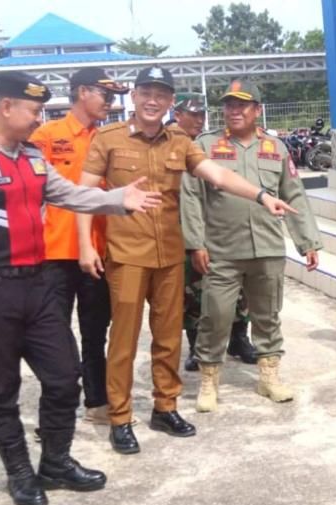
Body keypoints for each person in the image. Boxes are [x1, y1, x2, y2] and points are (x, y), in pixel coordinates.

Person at [0, 71, 162, 505]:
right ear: (7, 107)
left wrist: (118, 199)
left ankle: (56, 462)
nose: (39, 118)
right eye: (34, 110)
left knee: (63, 377)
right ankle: (20, 472)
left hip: (37, 285)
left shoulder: (32, 158)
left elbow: (70, 194)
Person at [77, 67, 296, 454]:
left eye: (161, 95)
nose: (152, 101)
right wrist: (85, 245)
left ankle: (165, 407)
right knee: (124, 341)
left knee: (168, 339)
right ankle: (120, 417)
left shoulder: (180, 142)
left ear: (169, 103)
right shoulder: (108, 138)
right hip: (127, 256)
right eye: (146, 92)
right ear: (134, 96)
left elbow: (219, 175)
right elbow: (83, 193)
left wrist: (262, 196)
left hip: (169, 255)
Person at [182, 80, 322, 412]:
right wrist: (195, 243)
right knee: (215, 316)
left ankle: (268, 377)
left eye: (242, 105)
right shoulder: (205, 145)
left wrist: (307, 241)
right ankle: (209, 381)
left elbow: (293, 194)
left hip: (267, 248)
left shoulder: (276, 147)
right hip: (222, 250)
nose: (234, 111)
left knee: (267, 315)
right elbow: (191, 196)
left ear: (257, 110)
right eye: (229, 105)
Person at [28, 67, 129, 426]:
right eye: (105, 94)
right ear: (83, 92)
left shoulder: (108, 138)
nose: (110, 102)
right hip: (53, 251)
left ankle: (97, 400)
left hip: (98, 249)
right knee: (53, 332)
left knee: (95, 329)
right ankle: (57, 406)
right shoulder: (46, 136)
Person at [169, 93, 258, 373]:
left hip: (220, 228)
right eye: (193, 114)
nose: (199, 119)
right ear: (177, 114)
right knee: (193, 289)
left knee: (238, 286)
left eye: (202, 114)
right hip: (182, 228)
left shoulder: (210, 144)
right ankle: (197, 345)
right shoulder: (168, 143)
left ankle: (238, 338)